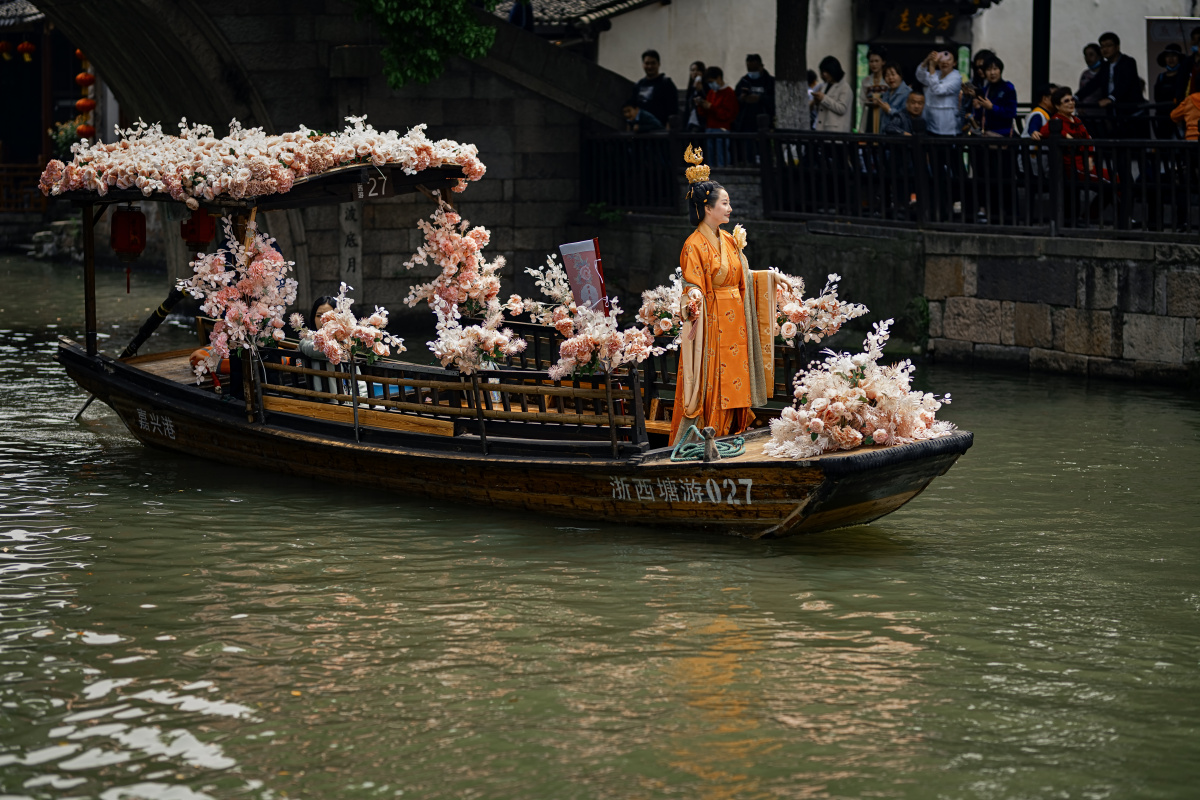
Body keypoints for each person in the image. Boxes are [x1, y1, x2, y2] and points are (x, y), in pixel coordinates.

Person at [670, 146, 771, 444]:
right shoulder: (693, 245)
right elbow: (692, 285)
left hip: (735, 317)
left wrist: (769, 277)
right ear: (708, 207)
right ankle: (710, 433)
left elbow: (743, 276)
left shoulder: (727, 239)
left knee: (736, 374)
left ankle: (735, 431)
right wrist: (695, 296)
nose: (729, 209)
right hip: (713, 320)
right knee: (714, 375)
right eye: (724, 203)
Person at [1079, 32, 1143, 135]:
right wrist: (1077, 96)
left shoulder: (1128, 62)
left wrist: (1111, 98)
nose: (1105, 49)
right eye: (1102, 46)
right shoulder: (1105, 66)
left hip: (1130, 114)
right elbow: (1094, 83)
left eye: (1109, 46)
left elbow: (1125, 84)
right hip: (1114, 116)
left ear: (1117, 47)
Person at [695, 66, 738, 165]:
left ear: (719, 78)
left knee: (721, 156)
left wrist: (711, 107)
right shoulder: (711, 93)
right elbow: (705, 112)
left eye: (711, 81)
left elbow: (727, 114)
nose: (711, 85)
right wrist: (701, 105)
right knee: (710, 156)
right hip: (710, 128)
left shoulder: (729, 92)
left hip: (722, 129)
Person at [916, 50, 964, 135]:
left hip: (948, 128)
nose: (944, 62)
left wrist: (932, 67)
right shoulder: (936, 74)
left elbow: (938, 90)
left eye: (948, 59)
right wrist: (927, 60)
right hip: (931, 124)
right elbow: (920, 76)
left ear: (954, 63)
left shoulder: (956, 78)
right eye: (941, 59)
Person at [630, 49, 679, 130]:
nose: (650, 66)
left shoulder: (666, 84)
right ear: (643, 65)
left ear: (658, 64)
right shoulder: (638, 85)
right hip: (641, 131)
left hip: (659, 131)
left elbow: (673, 108)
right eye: (647, 63)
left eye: (653, 63)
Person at [971, 56, 1017, 136]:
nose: (992, 73)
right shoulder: (985, 90)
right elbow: (980, 117)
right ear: (984, 73)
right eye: (988, 70)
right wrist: (978, 108)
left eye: (995, 69)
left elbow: (1011, 113)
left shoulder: (1008, 88)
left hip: (1004, 134)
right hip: (987, 134)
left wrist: (992, 107)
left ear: (1000, 71)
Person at [733, 54, 776, 131]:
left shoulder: (770, 82)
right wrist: (742, 98)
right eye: (749, 69)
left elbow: (775, 100)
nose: (752, 72)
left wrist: (760, 98)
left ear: (761, 66)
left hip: (765, 123)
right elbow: (735, 98)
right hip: (746, 123)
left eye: (754, 69)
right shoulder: (744, 81)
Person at [1154, 44, 1189, 138]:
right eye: (1168, 56)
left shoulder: (1185, 77)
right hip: (1163, 119)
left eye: (1174, 56)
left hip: (1179, 120)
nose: (1171, 59)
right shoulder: (1161, 77)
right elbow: (1157, 98)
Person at [812, 56, 852, 132]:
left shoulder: (845, 87)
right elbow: (821, 109)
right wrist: (817, 102)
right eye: (822, 72)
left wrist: (823, 98)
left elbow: (842, 109)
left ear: (834, 70)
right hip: (821, 129)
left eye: (826, 72)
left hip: (835, 131)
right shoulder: (825, 86)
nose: (824, 74)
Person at [872, 62, 911, 130]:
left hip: (899, 135)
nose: (890, 78)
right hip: (885, 134)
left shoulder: (908, 93)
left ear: (900, 75)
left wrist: (889, 110)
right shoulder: (886, 93)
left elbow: (906, 117)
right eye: (887, 75)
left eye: (893, 74)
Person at [858, 46, 888, 133]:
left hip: (884, 116)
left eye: (876, 61)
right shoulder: (865, 81)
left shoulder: (888, 80)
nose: (874, 64)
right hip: (869, 117)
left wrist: (880, 101)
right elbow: (862, 100)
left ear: (883, 62)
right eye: (871, 61)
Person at [683, 61, 707, 132]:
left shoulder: (706, 87)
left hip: (701, 123)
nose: (695, 72)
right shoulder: (691, 89)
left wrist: (700, 91)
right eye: (692, 70)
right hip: (690, 122)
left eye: (698, 70)